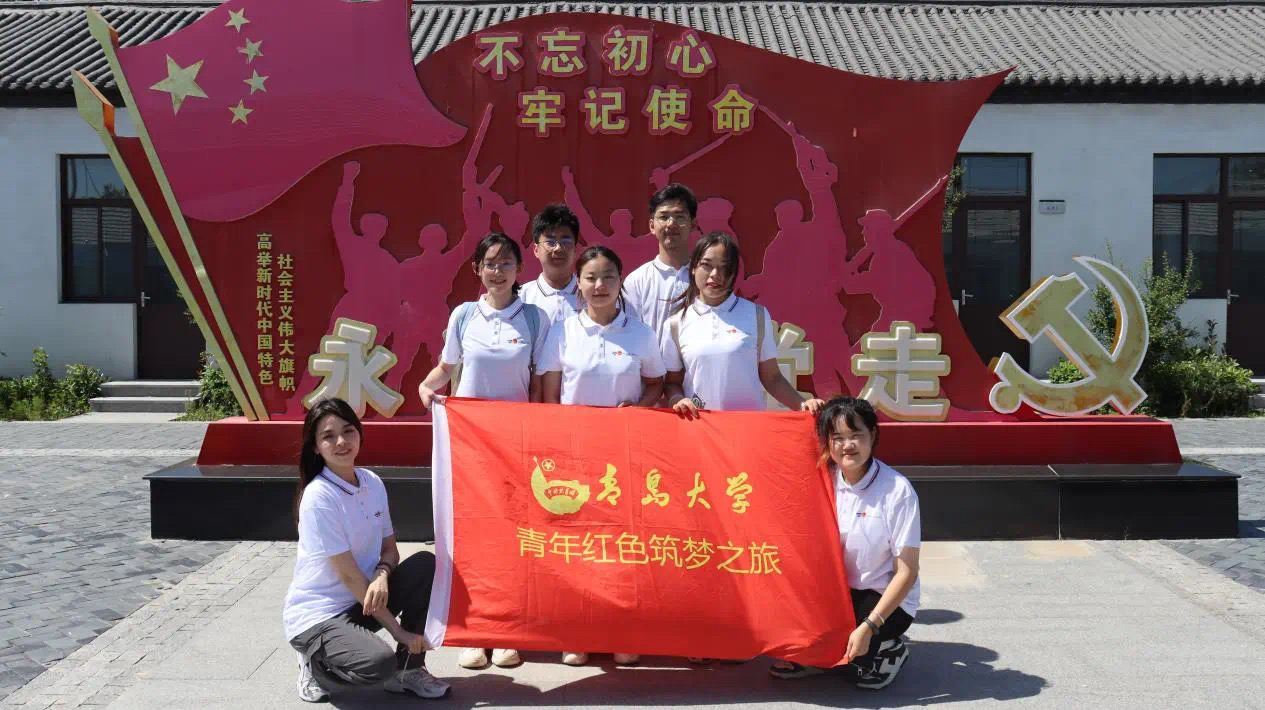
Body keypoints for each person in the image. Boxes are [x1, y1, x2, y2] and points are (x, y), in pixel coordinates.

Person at [416, 232, 551, 670]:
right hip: (469, 446)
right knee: (472, 538)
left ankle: (507, 633)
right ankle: (475, 633)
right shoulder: (464, 315)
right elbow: (448, 367)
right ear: (477, 269)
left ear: (519, 269)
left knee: (513, 538)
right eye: (490, 263)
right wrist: (426, 387)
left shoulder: (534, 319)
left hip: (514, 447)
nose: (498, 271)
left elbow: (538, 384)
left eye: (506, 262)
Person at [539, 245, 667, 667]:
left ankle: (621, 632)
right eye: (591, 277)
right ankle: (578, 633)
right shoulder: (563, 331)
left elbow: (656, 384)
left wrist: (639, 409)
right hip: (574, 457)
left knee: (620, 544)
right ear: (578, 283)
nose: (599, 285)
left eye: (608, 276)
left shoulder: (640, 333)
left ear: (620, 281)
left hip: (622, 457)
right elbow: (549, 394)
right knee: (576, 545)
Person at [283, 398, 450, 702]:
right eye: (328, 436)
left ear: (359, 434)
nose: (341, 441)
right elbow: (349, 577)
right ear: (316, 447)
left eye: (348, 431)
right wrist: (399, 632)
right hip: (319, 616)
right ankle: (314, 663)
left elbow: (390, 549)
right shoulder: (319, 497)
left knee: (426, 564)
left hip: (361, 602)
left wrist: (383, 574)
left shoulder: (371, 482)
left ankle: (409, 670)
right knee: (378, 663)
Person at [769, 397, 920, 690]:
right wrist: (806, 412)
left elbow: (907, 572)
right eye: (837, 438)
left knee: (854, 660)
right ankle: (821, 655)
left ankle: (889, 649)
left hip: (880, 595)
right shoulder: (822, 478)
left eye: (855, 435)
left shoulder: (897, 491)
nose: (847, 445)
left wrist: (869, 626)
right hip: (835, 590)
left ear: (872, 434)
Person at [662, 231, 825, 417]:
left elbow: (772, 378)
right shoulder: (676, 323)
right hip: (700, 426)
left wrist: (803, 404)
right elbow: (671, 382)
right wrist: (678, 400)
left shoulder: (756, 315)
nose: (715, 274)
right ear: (693, 268)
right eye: (706, 265)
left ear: (733, 273)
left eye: (724, 267)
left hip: (748, 426)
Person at [623, 183, 697, 344]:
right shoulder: (636, 281)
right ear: (652, 226)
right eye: (663, 217)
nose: (671, 223)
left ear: (693, 225)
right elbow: (629, 337)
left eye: (679, 216)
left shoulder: (705, 277)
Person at [519, 204, 583, 326]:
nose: (558, 248)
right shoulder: (521, 297)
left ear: (575, 249)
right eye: (550, 242)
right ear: (536, 250)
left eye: (565, 241)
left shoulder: (591, 295)